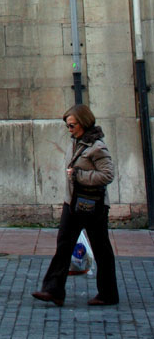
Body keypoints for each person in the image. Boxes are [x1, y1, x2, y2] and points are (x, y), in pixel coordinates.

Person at [32, 104, 119, 307]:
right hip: (73, 203)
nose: (69, 130)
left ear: (84, 123)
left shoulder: (97, 147)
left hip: (92, 205)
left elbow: (107, 175)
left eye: (72, 126)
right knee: (63, 244)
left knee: (101, 248)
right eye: (67, 126)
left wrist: (79, 175)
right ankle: (53, 290)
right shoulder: (78, 142)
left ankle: (108, 293)